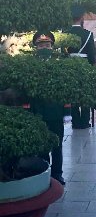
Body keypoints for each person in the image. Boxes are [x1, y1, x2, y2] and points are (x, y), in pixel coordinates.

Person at [29, 31, 69, 185]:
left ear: (52, 46)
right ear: (36, 47)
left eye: (47, 45)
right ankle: (44, 172)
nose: (44, 48)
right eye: (41, 45)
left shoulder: (60, 64)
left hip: (56, 113)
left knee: (57, 146)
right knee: (41, 146)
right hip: (38, 113)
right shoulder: (31, 65)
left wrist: (67, 113)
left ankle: (57, 174)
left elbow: (66, 92)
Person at [69, 5, 96, 130]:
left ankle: (75, 121)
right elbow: (92, 55)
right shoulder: (88, 34)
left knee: (73, 93)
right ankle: (85, 122)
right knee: (85, 93)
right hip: (85, 64)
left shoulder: (65, 34)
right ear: (81, 18)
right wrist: (93, 70)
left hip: (69, 65)